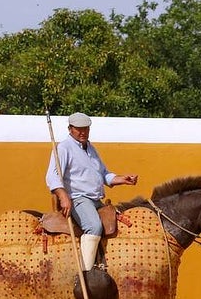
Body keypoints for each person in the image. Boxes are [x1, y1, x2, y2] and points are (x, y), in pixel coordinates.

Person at [46, 112, 139, 271]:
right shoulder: (64, 148)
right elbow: (52, 176)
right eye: (79, 129)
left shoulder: (91, 148)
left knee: (116, 224)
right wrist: (63, 197)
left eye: (86, 129)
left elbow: (103, 174)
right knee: (94, 226)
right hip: (78, 199)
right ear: (70, 129)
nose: (83, 132)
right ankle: (86, 272)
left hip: (96, 199)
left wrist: (121, 179)